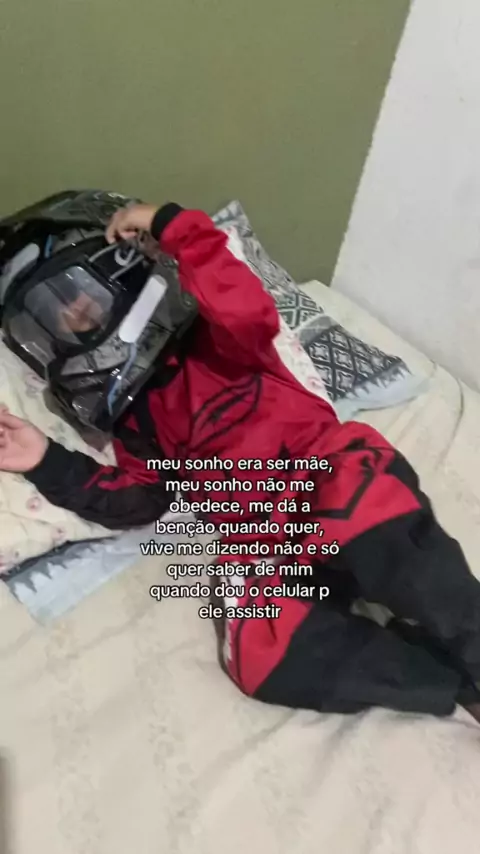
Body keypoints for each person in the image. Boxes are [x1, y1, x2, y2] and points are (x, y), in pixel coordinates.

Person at [1, 201, 480, 723]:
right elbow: (135, 499)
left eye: (73, 291)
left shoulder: (220, 338)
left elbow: (246, 310)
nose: (72, 314)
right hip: (261, 536)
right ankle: (445, 682)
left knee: (377, 525)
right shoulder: (134, 421)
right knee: (257, 651)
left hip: (323, 471)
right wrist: (45, 460)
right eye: (51, 314)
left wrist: (174, 227)